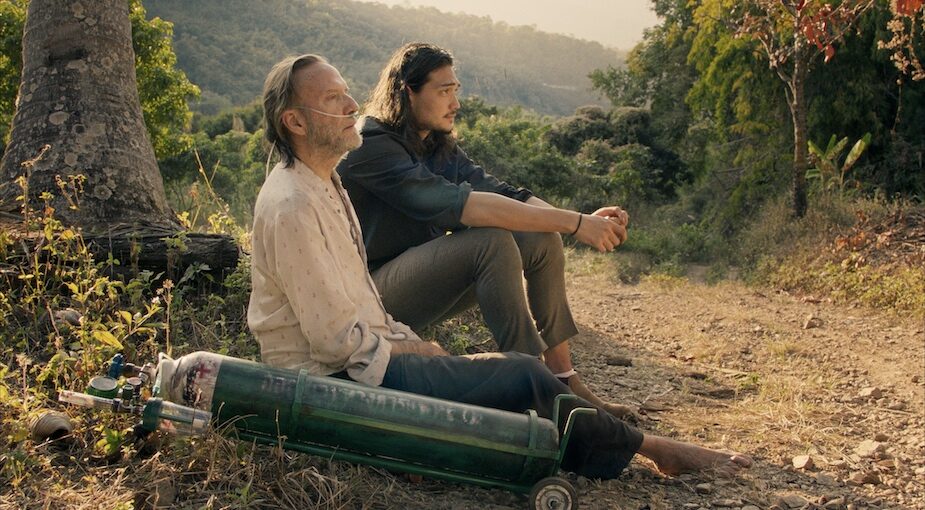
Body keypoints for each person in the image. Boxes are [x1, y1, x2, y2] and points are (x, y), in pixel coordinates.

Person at [247, 53, 753, 480]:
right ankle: (649, 448)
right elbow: (335, 343)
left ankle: (566, 389)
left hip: (365, 356)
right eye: (333, 99)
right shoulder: (297, 202)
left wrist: (574, 221)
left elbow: (497, 195)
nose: (351, 106)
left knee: (513, 366)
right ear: (296, 122)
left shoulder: (325, 183)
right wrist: (415, 348)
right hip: (335, 383)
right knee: (520, 375)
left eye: (347, 94)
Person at [336, 42, 632, 418]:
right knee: (489, 240)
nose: (455, 103)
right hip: (367, 298)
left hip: (414, 282)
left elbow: (504, 194)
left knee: (540, 235)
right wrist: (575, 224)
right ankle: (536, 390)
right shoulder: (371, 145)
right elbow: (465, 206)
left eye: (455, 90)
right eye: (444, 91)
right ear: (408, 91)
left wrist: (580, 220)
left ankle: (562, 379)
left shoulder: (434, 145)